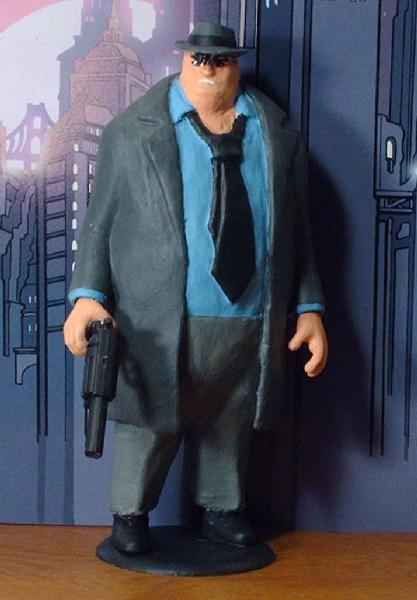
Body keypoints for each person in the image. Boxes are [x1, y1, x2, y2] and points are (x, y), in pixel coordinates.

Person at [63, 22, 328, 554]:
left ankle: (222, 508)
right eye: (199, 59)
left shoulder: (276, 137)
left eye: (221, 60)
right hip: (156, 316)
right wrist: (88, 295)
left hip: (248, 317)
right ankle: (131, 513)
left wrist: (308, 308)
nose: (209, 70)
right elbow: (99, 220)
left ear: (236, 65)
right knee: (149, 420)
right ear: (184, 62)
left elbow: (297, 231)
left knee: (230, 420)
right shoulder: (130, 133)